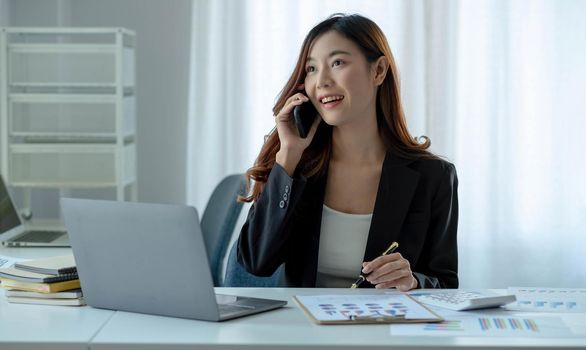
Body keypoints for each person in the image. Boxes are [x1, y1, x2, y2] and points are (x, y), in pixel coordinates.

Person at [236, 13, 458, 290]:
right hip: (302, 330)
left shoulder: (434, 176)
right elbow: (256, 262)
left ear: (378, 71)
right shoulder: (297, 168)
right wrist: (288, 157)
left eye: (337, 63)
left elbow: (446, 283)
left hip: (386, 328)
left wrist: (413, 281)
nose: (321, 81)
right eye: (311, 69)